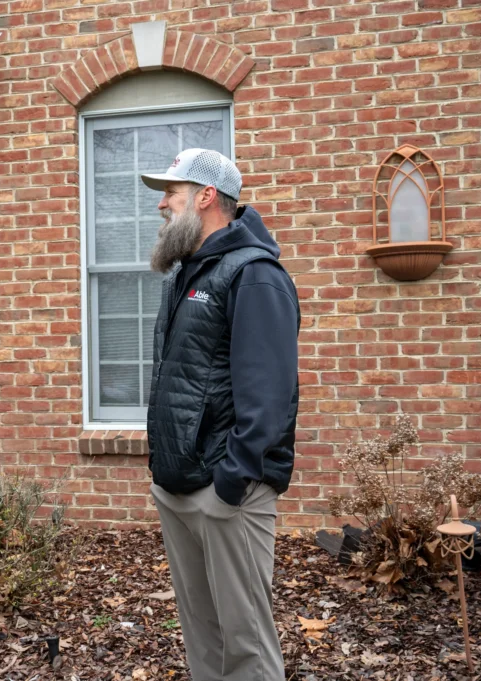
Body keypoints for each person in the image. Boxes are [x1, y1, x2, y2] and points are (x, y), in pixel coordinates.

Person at [140, 149, 300, 681]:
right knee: (202, 640)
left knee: (246, 646)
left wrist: (230, 484)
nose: (163, 204)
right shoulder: (187, 275)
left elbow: (269, 398)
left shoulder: (255, 275)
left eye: (172, 192)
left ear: (206, 197)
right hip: (179, 485)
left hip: (227, 494)